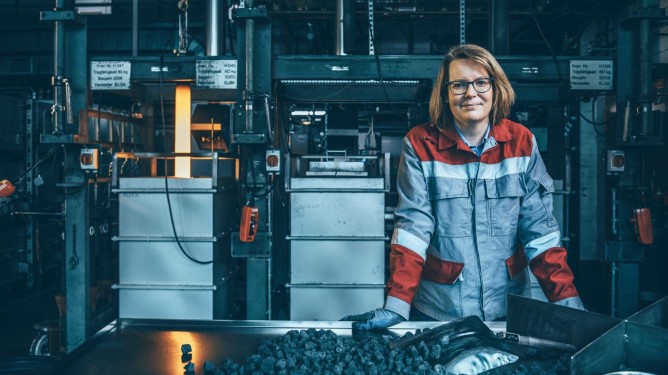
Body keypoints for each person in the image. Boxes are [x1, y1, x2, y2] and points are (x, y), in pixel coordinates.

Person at [342, 44, 585, 330]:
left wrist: (568, 304)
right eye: (459, 85)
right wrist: (397, 304)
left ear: (496, 87)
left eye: (481, 82)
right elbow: (412, 229)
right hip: (438, 310)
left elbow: (539, 233)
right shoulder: (420, 145)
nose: (471, 93)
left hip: (507, 309)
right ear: (445, 94)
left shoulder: (522, 143)